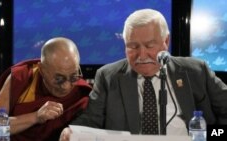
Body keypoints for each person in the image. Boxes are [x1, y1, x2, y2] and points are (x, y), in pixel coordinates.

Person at [59, 9, 227, 141]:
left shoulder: (196, 71)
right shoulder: (108, 77)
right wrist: (71, 131)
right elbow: (90, 120)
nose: (141, 55)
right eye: (133, 46)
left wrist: (210, 136)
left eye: (149, 45)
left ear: (166, 42)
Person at [0, 37, 92, 141]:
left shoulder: (81, 93)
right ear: (41, 69)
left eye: (73, 77)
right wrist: (35, 117)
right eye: (59, 79)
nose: (66, 86)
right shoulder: (22, 78)